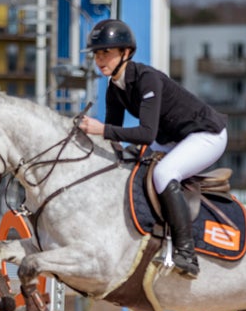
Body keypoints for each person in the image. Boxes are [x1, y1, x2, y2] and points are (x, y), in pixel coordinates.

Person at [78, 18, 228, 279]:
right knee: (129, 167)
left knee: (163, 173)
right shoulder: (114, 88)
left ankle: (186, 252)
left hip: (206, 135)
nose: (99, 59)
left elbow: (145, 133)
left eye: (106, 52)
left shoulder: (147, 79)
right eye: (96, 54)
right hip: (171, 139)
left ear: (126, 53)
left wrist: (100, 129)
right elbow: (113, 138)